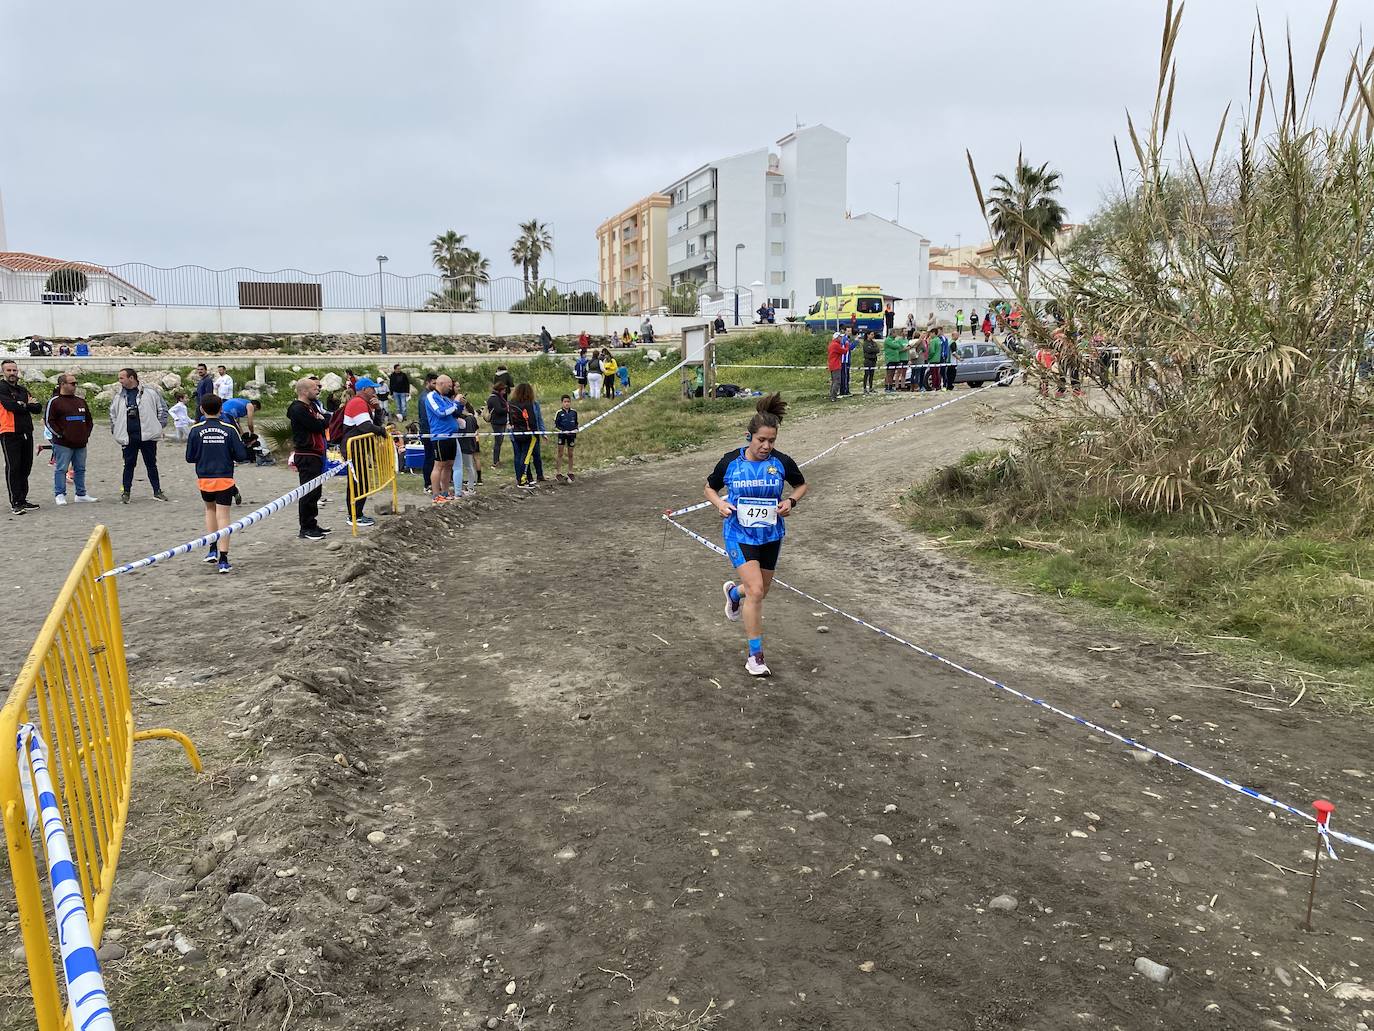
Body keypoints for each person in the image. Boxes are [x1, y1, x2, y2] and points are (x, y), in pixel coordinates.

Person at [704, 393, 808, 678]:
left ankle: (733, 593)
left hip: (771, 535)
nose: (766, 446)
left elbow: (800, 485)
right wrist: (720, 503)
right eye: (761, 440)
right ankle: (755, 656)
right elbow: (709, 487)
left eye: (772, 441)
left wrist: (791, 502)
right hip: (738, 534)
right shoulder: (730, 462)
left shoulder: (782, 462)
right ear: (748, 436)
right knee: (758, 592)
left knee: (758, 591)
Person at [186, 394, 247, 574]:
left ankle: (212, 549)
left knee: (210, 510)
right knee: (224, 516)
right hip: (225, 477)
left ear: (202, 409)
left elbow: (190, 457)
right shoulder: (229, 429)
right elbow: (241, 456)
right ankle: (223, 558)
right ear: (221, 409)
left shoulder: (195, 430)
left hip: (204, 477)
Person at [110, 367, 169, 504]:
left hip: (148, 436)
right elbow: (113, 414)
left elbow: (162, 409)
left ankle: (157, 491)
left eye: (121, 378)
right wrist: (116, 430)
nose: (120, 381)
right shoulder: (119, 395)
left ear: (131, 378)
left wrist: (158, 427)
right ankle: (126, 492)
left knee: (151, 464)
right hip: (128, 437)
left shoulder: (150, 393)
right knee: (128, 465)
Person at [286, 376, 332, 540]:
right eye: (314, 388)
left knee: (316, 491)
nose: (318, 390)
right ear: (304, 391)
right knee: (307, 492)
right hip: (306, 454)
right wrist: (320, 420)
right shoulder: (298, 409)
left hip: (317, 453)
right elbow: (316, 425)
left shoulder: (312, 406)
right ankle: (305, 528)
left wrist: (322, 419)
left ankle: (312, 524)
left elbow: (326, 419)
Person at [44, 373, 96, 506]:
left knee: (80, 469)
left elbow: (89, 420)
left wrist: (86, 434)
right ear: (63, 385)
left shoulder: (80, 401)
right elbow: (49, 421)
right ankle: (60, 494)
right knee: (61, 469)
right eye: (72, 383)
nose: (75, 386)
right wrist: (61, 435)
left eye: (75, 383)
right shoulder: (54, 402)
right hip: (63, 444)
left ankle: (81, 494)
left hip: (81, 442)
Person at [342, 377, 386, 527]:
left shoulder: (364, 404)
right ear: (364, 389)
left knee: (361, 482)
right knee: (358, 483)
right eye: (372, 388)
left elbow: (374, 424)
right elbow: (366, 427)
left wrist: (378, 410)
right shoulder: (357, 403)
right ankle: (354, 515)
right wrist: (382, 431)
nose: (374, 391)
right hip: (354, 448)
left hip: (359, 447)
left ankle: (357, 514)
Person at [0, 359, 41, 514]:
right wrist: (24, 405)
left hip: (26, 431)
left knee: (26, 467)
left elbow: (37, 408)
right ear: (3, 372)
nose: (12, 373)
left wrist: (23, 404)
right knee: (13, 467)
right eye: (9, 370)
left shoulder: (23, 390)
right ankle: (15, 502)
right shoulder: (1, 387)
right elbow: (10, 406)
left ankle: (23, 499)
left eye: (14, 370)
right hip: (9, 431)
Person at [425, 375, 460, 503]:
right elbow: (441, 412)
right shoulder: (432, 397)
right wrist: (455, 403)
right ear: (441, 383)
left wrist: (460, 405)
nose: (450, 388)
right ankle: (436, 494)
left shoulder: (444, 398)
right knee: (438, 465)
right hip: (440, 436)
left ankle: (445, 492)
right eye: (449, 386)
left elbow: (455, 411)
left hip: (451, 435)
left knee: (449, 465)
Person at [508, 382, 543, 488]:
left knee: (518, 456)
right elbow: (532, 420)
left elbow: (511, 419)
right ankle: (522, 480)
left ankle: (520, 478)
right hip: (528, 434)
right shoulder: (528, 404)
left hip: (516, 433)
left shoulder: (511, 403)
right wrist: (535, 434)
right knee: (525, 457)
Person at [415, 371, 438, 492]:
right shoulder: (425, 397)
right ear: (427, 383)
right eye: (434, 383)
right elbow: (425, 418)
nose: (436, 385)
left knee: (434, 458)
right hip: (428, 432)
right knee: (429, 457)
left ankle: (432, 482)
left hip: (432, 431)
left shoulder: (432, 395)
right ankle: (427, 484)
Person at [457, 393, 479, 497]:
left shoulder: (466, 419)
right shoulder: (473, 418)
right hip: (470, 444)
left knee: (468, 467)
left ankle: (470, 488)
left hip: (464, 444)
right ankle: (470, 487)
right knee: (469, 467)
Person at [554, 393, 578, 483]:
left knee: (570, 454)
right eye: (565, 402)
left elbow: (576, 424)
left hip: (572, 436)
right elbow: (555, 426)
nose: (567, 403)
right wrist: (562, 431)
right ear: (562, 403)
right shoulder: (559, 413)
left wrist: (576, 429)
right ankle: (558, 473)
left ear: (570, 402)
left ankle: (570, 472)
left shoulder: (574, 412)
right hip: (562, 436)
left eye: (568, 402)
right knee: (560, 453)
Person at [486, 381, 510, 466]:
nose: (505, 391)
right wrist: (507, 409)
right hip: (497, 422)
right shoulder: (494, 398)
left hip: (501, 421)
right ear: (500, 390)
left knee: (499, 441)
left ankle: (497, 460)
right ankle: (495, 461)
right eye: (503, 390)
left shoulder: (499, 397)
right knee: (498, 441)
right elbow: (499, 410)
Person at [826, 333, 850, 402]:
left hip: (832, 364)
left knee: (834, 381)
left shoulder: (831, 344)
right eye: (840, 337)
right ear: (837, 338)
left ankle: (832, 395)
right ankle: (833, 396)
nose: (841, 338)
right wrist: (847, 345)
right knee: (837, 381)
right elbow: (844, 351)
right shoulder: (835, 345)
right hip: (836, 365)